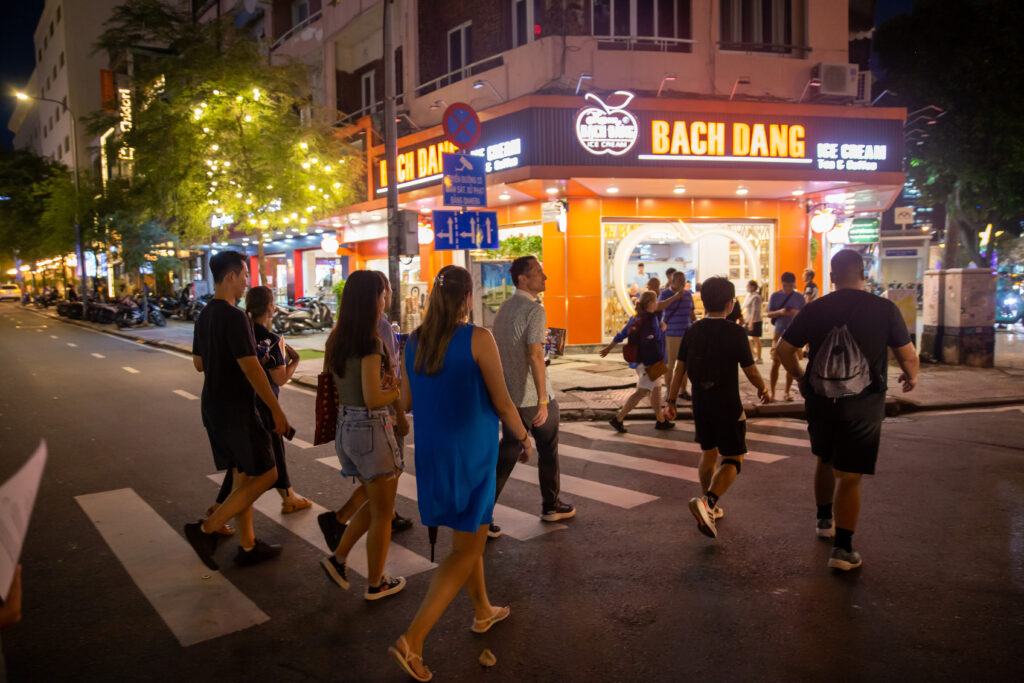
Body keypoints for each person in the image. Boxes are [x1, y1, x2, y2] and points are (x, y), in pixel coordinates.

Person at [390, 265, 532, 682]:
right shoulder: (477, 338)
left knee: (470, 531)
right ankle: (412, 640)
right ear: (467, 297)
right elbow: (504, 403)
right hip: (471, 451)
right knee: (466, 548)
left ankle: (483, 609)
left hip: (433, 451)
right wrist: (524, 438)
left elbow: (405, 399)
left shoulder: (414, 342)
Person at [776, 249, 919, 571]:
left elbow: (783, 350)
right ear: (863, 273)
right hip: (863, 402)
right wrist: (911, 376)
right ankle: (843, 549)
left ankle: (824, 520)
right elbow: (908, 355)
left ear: (832, 276)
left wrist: (801, 378)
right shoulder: (884, 309)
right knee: (850, 475)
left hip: (821, 398)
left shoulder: (814, 309)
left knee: (825, 458)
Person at [184, 251, 290, 571]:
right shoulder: (235, 316)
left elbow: (199, 364)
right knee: (266, 474)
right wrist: (276, 411)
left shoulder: (204, 316)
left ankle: (248, 545)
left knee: (243, 477)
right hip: (237, 410)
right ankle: (207, 528)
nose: (247, 282)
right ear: (230, 276)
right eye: (244, 275)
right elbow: (253, 369)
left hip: (213, 407)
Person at [319, 270, 406, 600]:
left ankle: (338, 559)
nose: (386, 299)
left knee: (373, 503)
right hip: (371, 428)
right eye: (382, 294)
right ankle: (375, 583)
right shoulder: (371, 342)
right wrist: (395, 393)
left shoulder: (337, 339)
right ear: (373, 299)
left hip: (346, 428)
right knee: (384, 514)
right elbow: (372, 397)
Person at [665, 277, 769, 537]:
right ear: (729, 303)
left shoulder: (693, 330)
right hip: (727, 405)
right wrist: (763, 388)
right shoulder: (735, 331)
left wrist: (672, 400)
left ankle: (707, 505)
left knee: (709, 452)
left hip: (701, 404)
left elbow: (680, 368)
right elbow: (750, 369)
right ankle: (708, 503)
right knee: (734, 458)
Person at [207, 286, 310, 529]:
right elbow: (280, 379)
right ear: (270, 307)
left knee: (244, 465)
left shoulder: (243, 332)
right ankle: (218, 515)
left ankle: (287, 497)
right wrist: (295, 362)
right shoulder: (272, 341)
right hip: (264, 406)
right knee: (255, 468)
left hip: (239, 403)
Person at [492, 256, 575, 531]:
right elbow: (535, 354)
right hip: (531, 397)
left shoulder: (503, 308)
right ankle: (551, 505)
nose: (544, 276)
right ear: (523, 280)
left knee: (507, 454)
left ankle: (482, 514)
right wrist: (542, 400)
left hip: (508, 397)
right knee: (548, 449)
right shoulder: (534, 310)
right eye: (538, 272)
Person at [601, 290, 673, 431]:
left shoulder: (636, 318)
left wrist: (608, 348)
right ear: (651, 303)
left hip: (641, 361)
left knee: (656, 390)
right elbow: (655, 337)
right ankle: (618, 418)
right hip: (649, 362)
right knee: (641, 392)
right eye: (656, 301)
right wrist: (662, 328)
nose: (657, 303)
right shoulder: (651, 319)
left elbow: (622, 334)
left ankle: (660, 420)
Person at [766, 272, 806, 402]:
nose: (788, 288)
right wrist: (780, 312)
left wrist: (795, 313)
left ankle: (787, 392)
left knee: (792, 365)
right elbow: (769, 314)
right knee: (775, 363)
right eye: (785, 285)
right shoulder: (775, 296)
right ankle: (772, 392)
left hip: (795, 333)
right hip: (779, 332)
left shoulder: (800, 297)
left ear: (794, 284)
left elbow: (806, 314)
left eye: (790, 285)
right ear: (781, 283)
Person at [659, 271, 696, 401]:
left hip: (686, 334)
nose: (682, 283)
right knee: (670, 364)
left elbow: (692, 313)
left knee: (684, 364)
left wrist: (694, 328)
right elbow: (659, 307)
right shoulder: (665, 293)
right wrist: (675, 297)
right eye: (679, 280)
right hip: (671, 334)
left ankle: (683, 390)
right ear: (672, 282)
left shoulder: (688, 294)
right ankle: (669, 391)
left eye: (684, 280)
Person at [743, 280, 764, 363]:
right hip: (749, 320)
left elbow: (755, 311)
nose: (746, 288)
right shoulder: (750, 296)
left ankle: (759, 357)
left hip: (755, 320)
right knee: (747, 338)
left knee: (756, 339)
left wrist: (751, 322)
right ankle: (754, 353)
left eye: (748, 286)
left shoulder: (756, 297)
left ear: (753, 287)